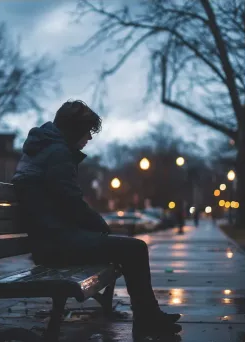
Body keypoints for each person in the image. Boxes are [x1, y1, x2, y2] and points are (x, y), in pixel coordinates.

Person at [11, 100, 182, 339]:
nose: (89, 138)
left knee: (129, 247)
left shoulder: (44, 148)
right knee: (135, 248)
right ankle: (147, 318)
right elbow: (70, 202)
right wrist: (101, 226)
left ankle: (148, 316)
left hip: (50, 238)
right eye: (87, 131)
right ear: (73, 129)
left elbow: (63, 202)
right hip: (54, 243)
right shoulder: (57, 152)